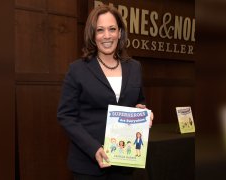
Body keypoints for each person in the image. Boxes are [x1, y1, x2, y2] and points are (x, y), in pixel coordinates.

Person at [57, 4, 154, 180]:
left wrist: (143, 111)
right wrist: (93, 148)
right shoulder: (77, 69)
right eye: (100, 30)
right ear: (93, 35)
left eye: (112, 29)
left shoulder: (135, 67)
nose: (107, 35)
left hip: (125, 163)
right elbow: (66, 116)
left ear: (120, 33)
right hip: (88, 165)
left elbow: (140, 100)